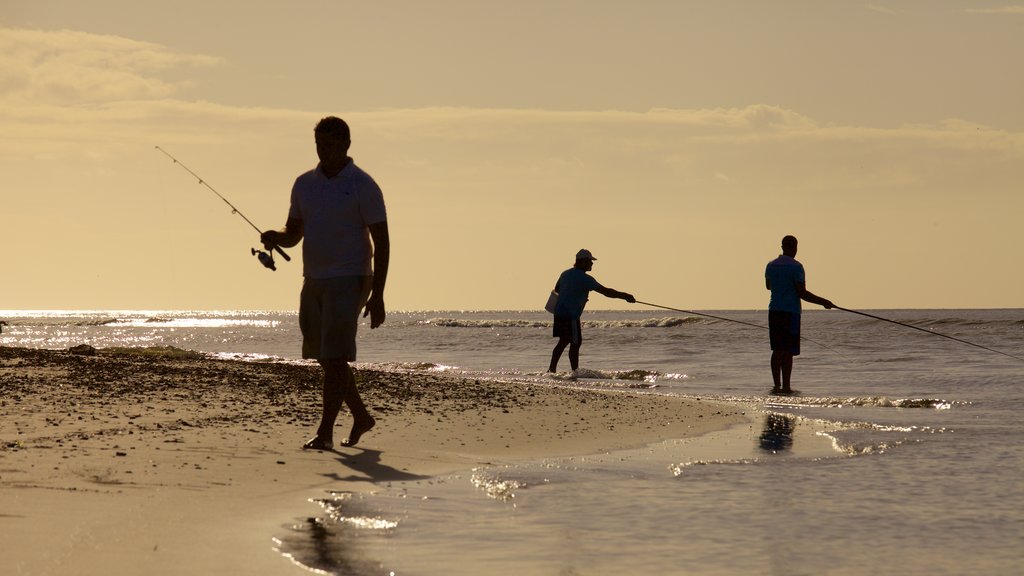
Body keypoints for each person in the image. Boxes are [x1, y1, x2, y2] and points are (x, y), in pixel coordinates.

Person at [261, 116, 390, 450]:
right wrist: (276, 237)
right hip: (313, 278)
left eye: (330, 144)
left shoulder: (363, 185)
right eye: (319, 144)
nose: (324, 151)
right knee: (324, 356)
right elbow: (294, 232)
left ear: (346, 144)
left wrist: (378, 294)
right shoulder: (304, 184)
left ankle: (325, 433)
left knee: (334, 357)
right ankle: (361, 416)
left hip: (351, 277)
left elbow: (383, 242)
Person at [765, 235, 834, 394]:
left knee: (777, 349)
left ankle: (777, 386)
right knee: (787, 351)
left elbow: (768, 286)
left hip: (774, 311)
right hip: (791, 312)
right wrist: (824, 302)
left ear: (782, 246)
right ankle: (786, 386)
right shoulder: (796, 267)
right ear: (795, 247)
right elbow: (802, 293)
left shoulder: (770, 265)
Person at [548, 249, 635, 373]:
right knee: (575, 343)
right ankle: (575, 371)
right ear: (582, 262)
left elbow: (557, 288)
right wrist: (626, 296)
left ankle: (552, 369)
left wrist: (576, 294)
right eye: (590, 261)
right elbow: (606, 292)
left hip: (558, 313)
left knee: (563, 342)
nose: (592, 264)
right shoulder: (585, 279)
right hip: (571, 315)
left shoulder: (565, 274)